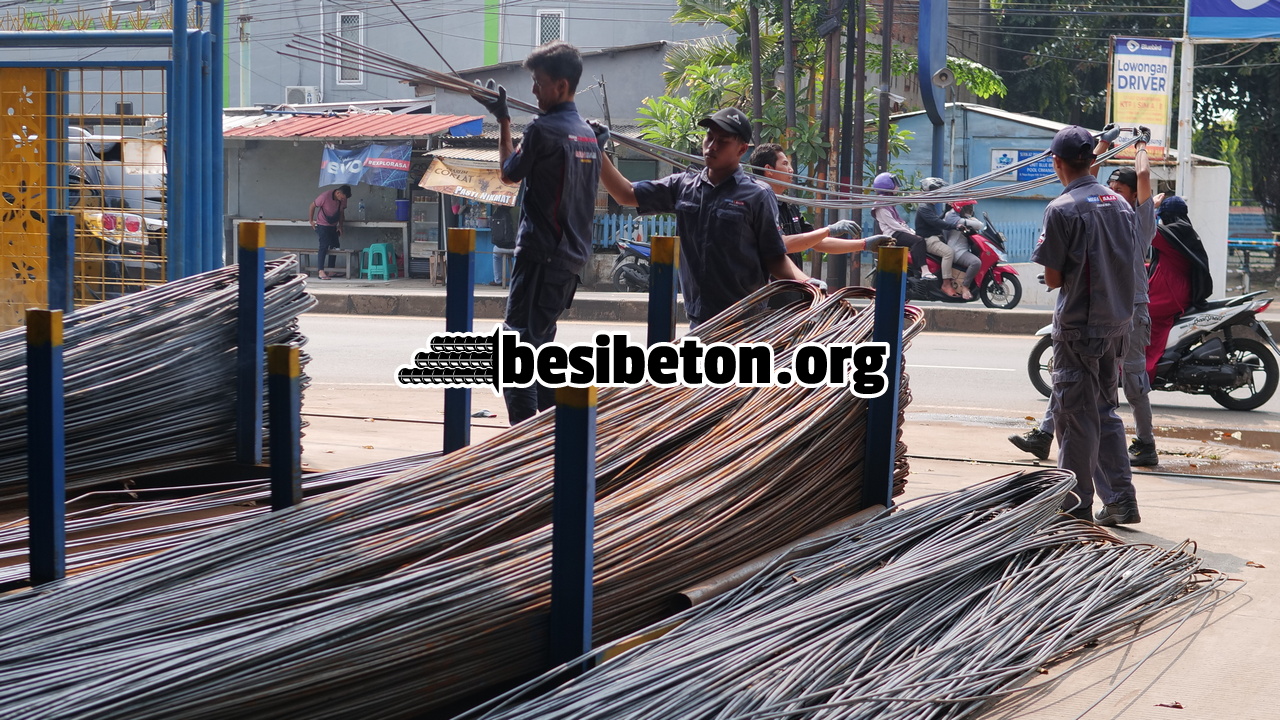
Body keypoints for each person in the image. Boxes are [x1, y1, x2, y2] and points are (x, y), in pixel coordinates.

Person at [1010, 126, 1162, 467]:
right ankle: (1046, 435)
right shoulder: (1111, 210)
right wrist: (1103, 144)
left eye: (1121, 191)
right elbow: (1084, 186)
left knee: (1128, 384)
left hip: (1125, 310)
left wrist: (1139, 145)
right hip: (1108, 311)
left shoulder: (1136, 217)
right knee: (1074, 387)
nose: (1112, 194)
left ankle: (1146, 442)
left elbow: (1137, 175)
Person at [474, 40, 602, 424]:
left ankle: (524, 447)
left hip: (541, 257)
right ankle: (556, 438)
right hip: (570, 263)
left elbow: (509, 172)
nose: (533, 90)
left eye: (538, 82)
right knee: (540, 348)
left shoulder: (544, 130)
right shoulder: (589, 134)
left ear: (560, 86)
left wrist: (503, 119)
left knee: (514, 351)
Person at [597, 107, 815, 329]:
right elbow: (626, 194)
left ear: (741, 149)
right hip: (699, 320)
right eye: (709, 137)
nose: (712, 146)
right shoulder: (683, 186)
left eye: (723, 141)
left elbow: (775, 257)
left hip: (746, 322)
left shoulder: (757, 195)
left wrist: (808, 283)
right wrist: (599, 151)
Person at [1033, 125, 1138, 526]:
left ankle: (1074, 508)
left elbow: (1054, 278)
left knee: (1074, 416)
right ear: (1093, 160)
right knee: (1104, 411)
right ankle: (1120, 500)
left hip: (1080, 326)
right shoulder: (1120, 204)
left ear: (1057, 163)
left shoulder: (1062, 208)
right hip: (1116, 324)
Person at [748, 143, 890, 261]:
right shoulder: (757, 204)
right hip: (766, 289)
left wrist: (864, 244)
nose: (791, 170)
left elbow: (816, 242)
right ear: (768, 170)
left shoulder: (789, 206)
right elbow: (781, 244)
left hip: (790, 288)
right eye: (785, 164)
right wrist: (828, 230)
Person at [1146, 196, 1213, 379]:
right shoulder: (1184, 231)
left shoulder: (1172, 233)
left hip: (1169, 294)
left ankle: (1142, 369)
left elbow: (1143, 229)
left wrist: (1148, 205)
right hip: (1176, 290)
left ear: (1165, 216)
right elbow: (1169, 263)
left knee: (1136, 315)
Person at [870, 173, 936, 281]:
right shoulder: (881, 205)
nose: (898, 186)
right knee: (918, 241)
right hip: (893, 234)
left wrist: (909, 230)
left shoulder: (888, 201)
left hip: (898, 232)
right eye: (895, 183)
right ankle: (924, 271)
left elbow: (898, 222)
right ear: (888, 186)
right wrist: (909, 231)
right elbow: (893, 224)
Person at [913, 177, 961, 297]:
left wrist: (947, 210)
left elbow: (937, 220)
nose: (941, 194)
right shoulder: (924, 207)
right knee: (948, 252)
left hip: (935, 237)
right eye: (938, 191)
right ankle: (946, 284)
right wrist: (955, 225)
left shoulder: (930, 206)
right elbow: (936, 223)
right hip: (928, 239)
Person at [941, 199, 987, 300]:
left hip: (963, 249)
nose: (970, 210)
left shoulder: (962, 217)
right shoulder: (952, 216)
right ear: (961, 208)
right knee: (976, 262)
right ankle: (965, 287)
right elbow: (979, 225)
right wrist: (973, 220)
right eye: (968, 207)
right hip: (956, 250)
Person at [307, 184, 351, 280]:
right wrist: (311, 221)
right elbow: (312, 206)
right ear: (338, 193)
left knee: (335, 246)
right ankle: (321, 271)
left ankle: (331, 270)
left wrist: (340, 226)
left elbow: (341, 212)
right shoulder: (324, 196)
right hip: (322, 225)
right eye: (342, 198)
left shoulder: (343, 199)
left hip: (333, 225)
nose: (343, 200)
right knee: (324, 245)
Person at [488, 204, 516, 286]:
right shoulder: (517, 210)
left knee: (495, 254)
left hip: (500, 247)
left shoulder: (497, 212)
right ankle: (516, 280)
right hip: (516, 246)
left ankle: (498, 280)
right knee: (519, 256)